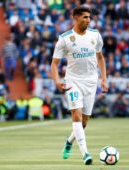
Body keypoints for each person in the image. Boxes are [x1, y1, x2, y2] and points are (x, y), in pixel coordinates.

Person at [51, 6, 108, 165]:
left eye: (89, 17)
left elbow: (100, 58)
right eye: (84, 17)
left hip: (91, 81)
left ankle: (69, 141)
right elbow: (54, 63)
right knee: (75, 115)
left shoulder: (95, 35)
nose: (88, 20)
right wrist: (57, 81)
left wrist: (104, 79)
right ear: (75, 18)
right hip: (73, 81)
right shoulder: (65, 38)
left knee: (83, 123)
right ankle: (85, 154)